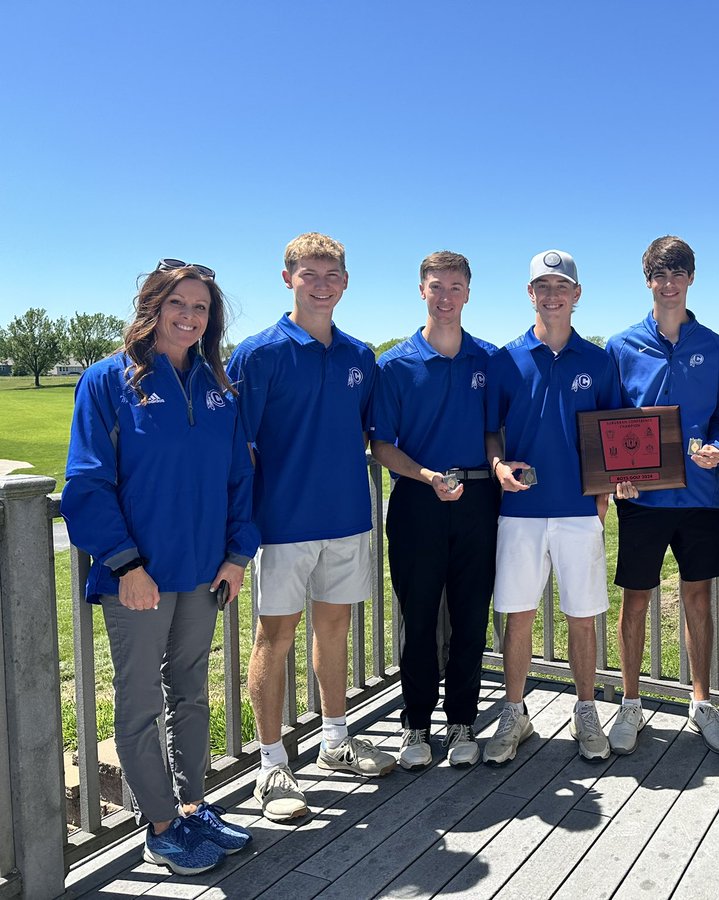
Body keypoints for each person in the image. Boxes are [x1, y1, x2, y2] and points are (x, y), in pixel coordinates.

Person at [62, 259, 259, 874]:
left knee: (192, 695)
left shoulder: (220, 388)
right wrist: (125, 566)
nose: (189, 317)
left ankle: (195, 806)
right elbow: (87, 483)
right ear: (152, 306)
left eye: (201, 308)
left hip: (205, 575)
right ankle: (161, 824)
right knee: (142, 700)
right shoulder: (106, 381)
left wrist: (236, 555)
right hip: (138, 580)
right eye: (179, 304)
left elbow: (239, 479)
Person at [228, 233, 396, 824]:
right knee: (274, 638)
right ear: (287, 278)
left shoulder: (360, 356)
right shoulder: (258, 354)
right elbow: (237, 448)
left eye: (332, 275)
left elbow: (376, 436)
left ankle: (334, 738)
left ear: (345, 283)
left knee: (335, 629)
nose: (322, 284)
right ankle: (272, 765)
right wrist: (239, 529)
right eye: (310, 274)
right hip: (282, 525)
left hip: (348, 518)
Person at [482, 249, 623, 764]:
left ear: (577, 295)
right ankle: (514, 712)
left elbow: (613, 435)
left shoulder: (598, 360)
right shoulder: (505, 359)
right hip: (520, 510)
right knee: (517, 616)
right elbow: (491, 431)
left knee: (582, 616)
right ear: (530, 294)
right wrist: (497, 466)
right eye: (543, 286)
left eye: (562, 285)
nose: (553, 294)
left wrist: (603, 499)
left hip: (579, 509)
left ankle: (586, 710)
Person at [604, 236, 719, 756]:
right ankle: (631, 705)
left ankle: (701, 702)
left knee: (699, 599)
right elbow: (609, 424)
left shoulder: (716, 346)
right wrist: (617, 474)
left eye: (678, 272)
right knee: (635, 600)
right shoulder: (621, 347)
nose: (669, 282)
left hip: (701, 498)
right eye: (660, 273)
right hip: (641, 502)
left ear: (690, 279)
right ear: (648, 281)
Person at [369, 251, 499, 770]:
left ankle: (463, 721)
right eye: (436, 287)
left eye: (455, 287)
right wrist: (425, 476)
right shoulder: (395, 365)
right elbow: (381, 444)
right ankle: (416, 726)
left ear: (468, 292)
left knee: (471, 614)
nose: (446, 297)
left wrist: (496, 463)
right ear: (421, 291)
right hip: (418, 501)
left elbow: (494, 430)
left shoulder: (488, 361)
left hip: (478, 500)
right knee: (418, 616)